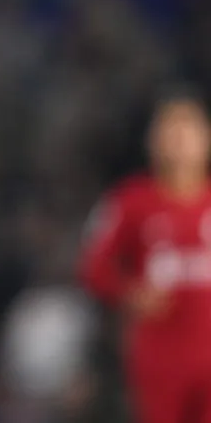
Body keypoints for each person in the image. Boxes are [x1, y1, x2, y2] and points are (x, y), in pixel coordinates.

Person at [79, 88, 211, 423]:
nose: (179, 138)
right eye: (169, 128)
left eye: (188, 127)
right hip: (160, 360)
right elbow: (93, 267)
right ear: (153, 140)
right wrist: (130, 292)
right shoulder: (130, 201)